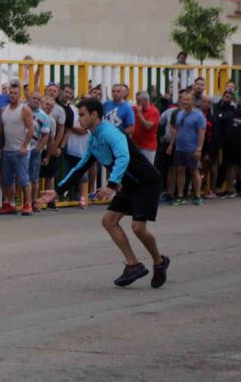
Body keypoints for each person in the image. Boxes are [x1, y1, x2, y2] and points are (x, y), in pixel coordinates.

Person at [44, 98, 167, 288]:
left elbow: (123, 156)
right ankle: (133, 265)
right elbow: (80, 167)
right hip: (130, 185)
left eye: (82, 115)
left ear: (94, 115)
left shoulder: (110, 132)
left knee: (138, 228)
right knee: (108, 221)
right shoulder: (93, 138)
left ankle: (159, 262)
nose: (79, 119)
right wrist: (58, 191)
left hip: (147, 182)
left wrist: (111, 184)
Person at [0, 80, 35, 215]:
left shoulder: (25, 109)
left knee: (23, 179)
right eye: (11, 93)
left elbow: (31, 129)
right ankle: (11, 204)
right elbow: (0, 130)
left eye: (15, 93)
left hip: (21, 151)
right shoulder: (4, 110)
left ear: (20, 95)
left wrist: (24, 146)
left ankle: (28, 204)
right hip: (7, 150)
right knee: (7, 180)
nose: (13, 95)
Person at [165, 90, 206, 206]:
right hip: (180, 148)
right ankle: (180, 196)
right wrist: (171, 144)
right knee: (180, 170)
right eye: (183, 99)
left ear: (193, 101)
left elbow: (202, 133)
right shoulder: (180, 113)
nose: (185, 102)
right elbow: (177, 130)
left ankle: (197, 195)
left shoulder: (198, 115)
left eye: (188, 100)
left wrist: (199, 149)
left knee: (194, 171)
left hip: (192, 148)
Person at [131, 91, 160, 165]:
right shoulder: (133, 109)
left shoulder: (154, 111)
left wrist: (139, 114)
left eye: (138, 101)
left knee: (147, 170)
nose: (137, 103)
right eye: (136, 101)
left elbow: (148, 126)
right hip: (135, 145)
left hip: (148, 147)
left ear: (146, 101)